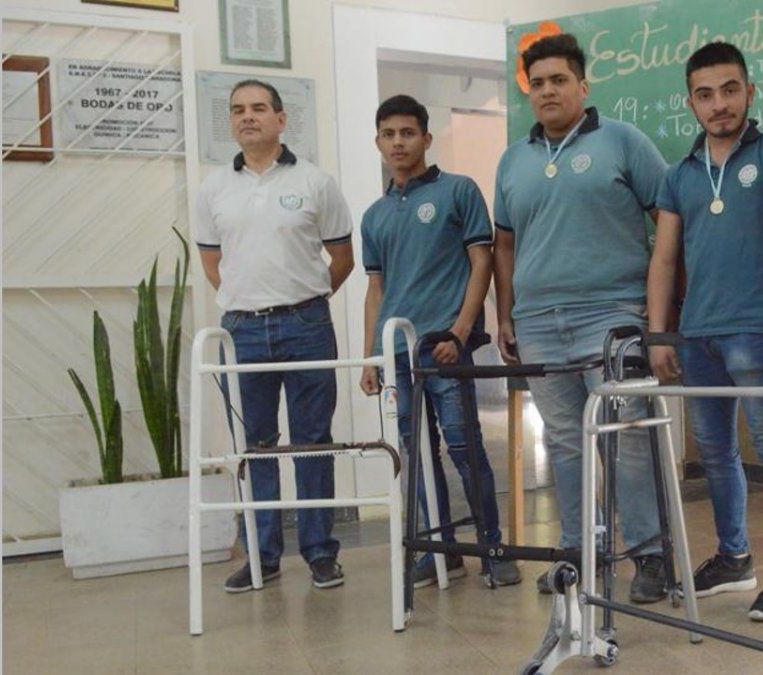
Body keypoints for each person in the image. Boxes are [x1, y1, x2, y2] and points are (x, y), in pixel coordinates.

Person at [492, 34, 669, 603]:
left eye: (559, 80)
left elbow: (670, 219)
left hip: (612, 317)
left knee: (628, 438)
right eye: (538, 83)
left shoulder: (623, 141)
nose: (548, 91)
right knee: (565, 443)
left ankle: (650, 555)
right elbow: (503, 245)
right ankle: (579, 553)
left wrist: (661, 307)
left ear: (583, 86)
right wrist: (505, 314)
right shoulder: (513, 160)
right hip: (538, 323)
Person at [647, 42, 763, 622]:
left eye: (729, 90)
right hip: (698, 336)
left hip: (759, 332)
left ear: (750, 92)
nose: (718, 104)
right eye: (705, 94)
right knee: (715, 452)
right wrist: (660, 334)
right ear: (690, 103)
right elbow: (664, 259)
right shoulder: (679, 175)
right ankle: (734, 557)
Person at [194, 79, 352, 593]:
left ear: (281, 120)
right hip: (242, 330)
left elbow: (343, 258)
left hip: (307, 326)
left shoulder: (316, 182)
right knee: (255, 445)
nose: (247, 116)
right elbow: (213, 263)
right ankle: (261, 556)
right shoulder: (214, 188)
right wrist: (248, 300)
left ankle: (320, 552)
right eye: (238, 109)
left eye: (259, 108)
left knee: (312, 442)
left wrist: (302, 301)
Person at [358, 94, 521, 588]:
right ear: (378, 142)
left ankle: (493, 548)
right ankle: (441, 552)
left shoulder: (458, 191)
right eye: (388, 134)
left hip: (446, 347)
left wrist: (459, 332)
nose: (398, 142)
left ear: (426, 138)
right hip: (398, 355)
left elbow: (481, 263)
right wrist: (371, 357)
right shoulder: (375, 215)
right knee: (417, 453)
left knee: (465, 446)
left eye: (408, 133)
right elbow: (376, 290)